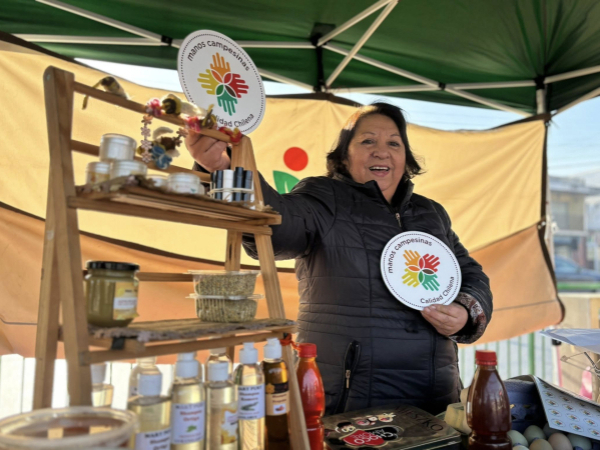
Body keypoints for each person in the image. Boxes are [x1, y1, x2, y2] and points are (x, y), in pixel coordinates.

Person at [186, 102, 493, 415]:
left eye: (394, 143)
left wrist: (464, 312)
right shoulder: (324, 197)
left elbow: (471, 274)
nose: (381, 152)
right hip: (350, 400)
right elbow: (276, 225)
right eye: (368, 141)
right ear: (344, 156)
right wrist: (223, 168)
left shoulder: (431, 213)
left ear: (405, 158)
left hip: (436, 397)